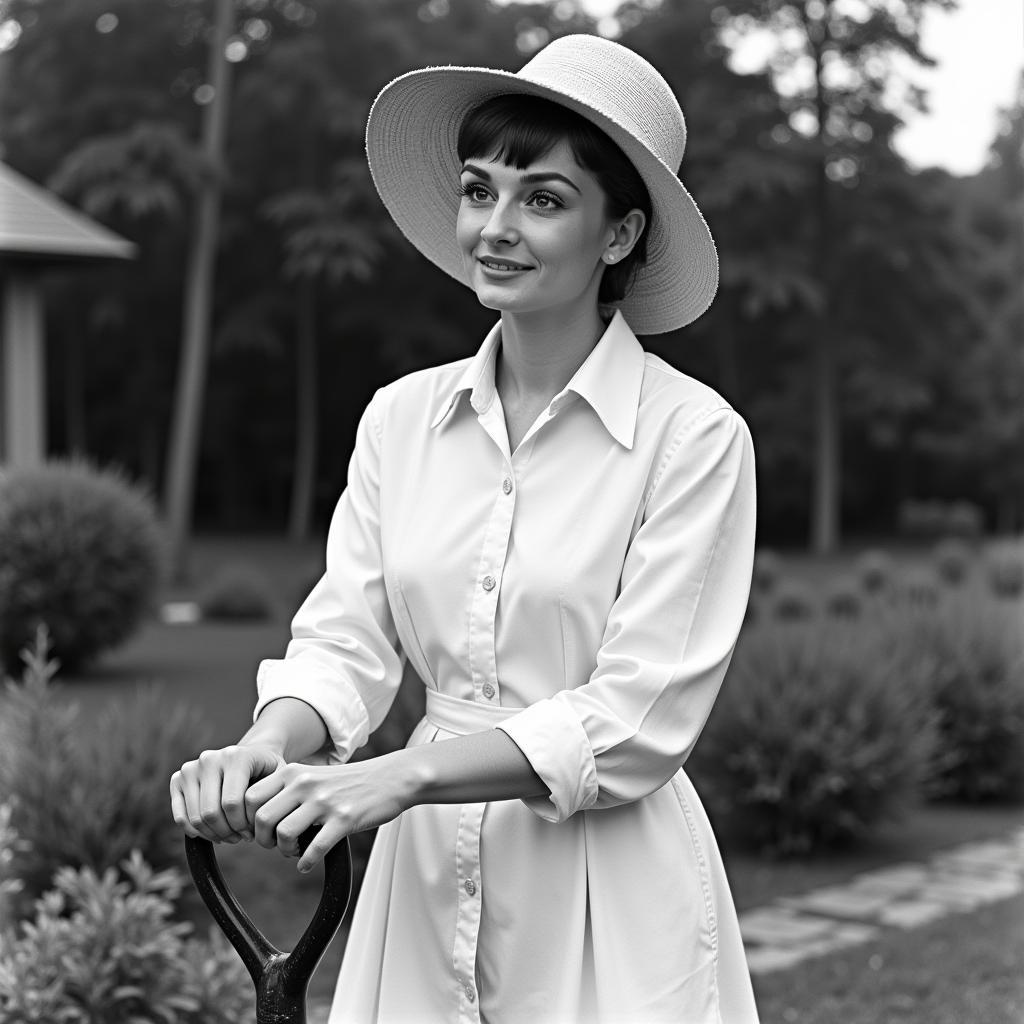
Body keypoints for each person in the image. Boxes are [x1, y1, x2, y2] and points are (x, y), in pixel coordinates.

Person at [170, 33, 760, 1024]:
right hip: (420, 882)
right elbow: (345, 641)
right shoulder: (400, 420)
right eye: (480, 189)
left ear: (616, 235)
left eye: (543, 198)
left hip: (605, 891)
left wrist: (396, 777)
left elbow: (631, 721)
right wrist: (269, 742)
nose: (493, 225)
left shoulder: (692, 436)